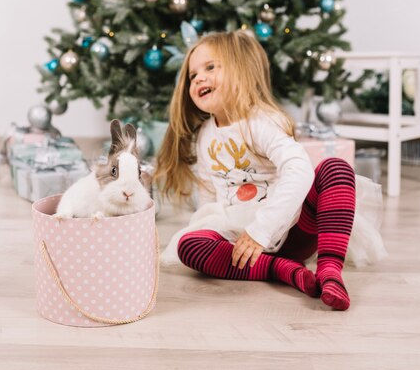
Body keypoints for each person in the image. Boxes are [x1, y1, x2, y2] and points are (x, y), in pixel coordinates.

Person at [154, 30, 370, 311]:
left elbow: (299, 169)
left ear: (240, 70)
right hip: (242, 241)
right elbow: (210, 196)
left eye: (210, 68)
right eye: (193, 75)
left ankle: (330, 271)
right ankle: (280, 269)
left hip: (292, 227)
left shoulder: (260, 121)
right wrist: (209, 232)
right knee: (189, 246)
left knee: (336, 169)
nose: (199, 79)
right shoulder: (204, 137)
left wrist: (262, 230)